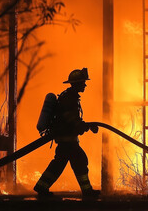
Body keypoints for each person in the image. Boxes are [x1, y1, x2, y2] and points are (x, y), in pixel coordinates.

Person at [33, 68, 100, 198]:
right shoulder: (70, 99)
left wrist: (86, 126)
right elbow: (72, 120)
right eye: (83, 82)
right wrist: (85, 127)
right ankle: (87, 192)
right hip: (67, 140)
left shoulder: (69, 97)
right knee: (77, 161)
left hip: (67, 139)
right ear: (77, 84)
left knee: (62, 164)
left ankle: (42, 186)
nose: (85, 85)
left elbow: (73, 120)